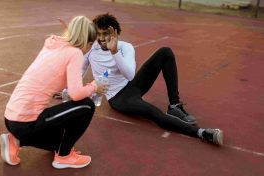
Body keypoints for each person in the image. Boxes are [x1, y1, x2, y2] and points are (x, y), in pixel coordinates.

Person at [81, 13, 223, 145]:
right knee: (152, 112)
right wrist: (67, 90)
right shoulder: (92, 49)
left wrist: (115, 52)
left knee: (165, 52)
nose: (101, 38)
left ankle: (174, 106)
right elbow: (80, 69)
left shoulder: (125, 47)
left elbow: (130, 75)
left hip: (132, 85)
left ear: (115, 33)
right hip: (119, 98)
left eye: (105, 34)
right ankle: (201, 133)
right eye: (98, 34)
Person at [1, 16, 107, 169]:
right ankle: (64, 157)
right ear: (88, 43)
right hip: (25, 123)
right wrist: (94, 86)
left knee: (60, 142)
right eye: (92, 44)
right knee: (87, 105)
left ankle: (16, 141)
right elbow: (76, 94)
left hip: (11, 118)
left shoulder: (53, 44)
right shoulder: (75, 53)